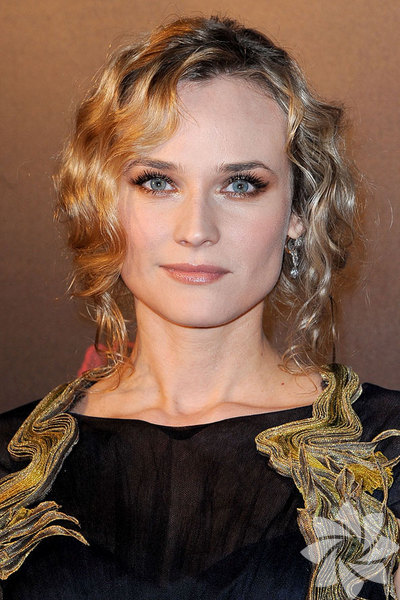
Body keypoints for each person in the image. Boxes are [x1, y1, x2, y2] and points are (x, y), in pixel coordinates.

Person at [0, 15, 399, 600]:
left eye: (241, 184)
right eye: (157, 181)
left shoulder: (387, 454)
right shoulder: (10, 463)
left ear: (298, 212)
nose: (196, 230)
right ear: (105, 203)